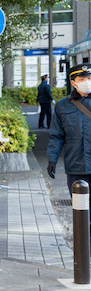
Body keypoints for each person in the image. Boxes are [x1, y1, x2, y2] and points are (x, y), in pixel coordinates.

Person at [47, 63, 91, 195]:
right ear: (73, 83)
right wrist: (52, 159)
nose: (87, 82)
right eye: (82, 80)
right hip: (75, 166)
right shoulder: (62, 105)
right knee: (79, 209)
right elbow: (56, 135)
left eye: (89, 78)